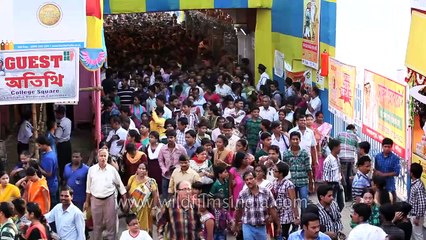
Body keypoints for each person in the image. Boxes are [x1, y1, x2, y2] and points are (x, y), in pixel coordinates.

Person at [84, 148, 127, 240]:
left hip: (109, 199)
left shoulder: (112, 170)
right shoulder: (91, 170)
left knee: (111, 224)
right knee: (97, 225)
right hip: (95, 200)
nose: (103, 158)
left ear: (107, 157)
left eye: (105, 156)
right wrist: (87, 202)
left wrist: (125, 200)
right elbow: (88, 188)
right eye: (101, 156)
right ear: (97, 157)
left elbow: (120, 186)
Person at [233, 170, 281, 240]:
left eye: (251, 178)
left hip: (261, 227)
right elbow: (238, 211)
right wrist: (236, 224)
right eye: (246, 180)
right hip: (247, 226)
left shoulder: (266, 192)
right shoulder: (243, 194)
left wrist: (278, 225)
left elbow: (272, 209)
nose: (249, 181)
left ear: (255, 179)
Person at [283, 131, 313, 213]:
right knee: (293, 203)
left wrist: (311, 182)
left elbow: (308, 168)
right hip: (291, 182)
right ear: (290, 140)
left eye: (297, 139)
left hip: (303, 181)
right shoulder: (286, 154)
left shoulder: (304, 153)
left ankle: (304, 222)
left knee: (304, 202)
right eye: (293, 139)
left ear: (300, 140)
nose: (295, 141)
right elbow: (285, 169)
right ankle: (295, 223)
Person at [126, 163, 160, 232]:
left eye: (143, 169)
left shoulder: (150, 182)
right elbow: (127, 189)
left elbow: (155, 195)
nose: (141, 170)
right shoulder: (132, 178)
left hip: (145, 209)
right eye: (140, 168)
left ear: (146, 171)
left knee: (146, 230)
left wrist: (154, 208)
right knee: (134, 229)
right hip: (133, 208)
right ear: (137, 170)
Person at [272, 162, 299, 239]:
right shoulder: (274, 182)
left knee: (283, 234)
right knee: (276, 233)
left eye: (275, 171)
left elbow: (293, 200)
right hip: (276, 212)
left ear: (281, 173)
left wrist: (296, 216)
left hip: (286, 214)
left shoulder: (288, 184)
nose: (273, 172)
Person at [158, 129, 187, 200]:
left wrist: (177, 167)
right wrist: (164, 170)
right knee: (165, 195)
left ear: (175, 138)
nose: (169, 139)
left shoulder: (181, 148)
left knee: (176, 194)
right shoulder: (163, 149)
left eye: (171, 137)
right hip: (166, 175)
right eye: (168, 137)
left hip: (178, 174)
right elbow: (160, 161)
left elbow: (186, 160)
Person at [335, 124, 359, 201]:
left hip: (342, 158)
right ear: (352, 129)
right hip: (351, 159)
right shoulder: (355, 137)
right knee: (350, 177)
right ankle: (350, 196)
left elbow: (335, 144)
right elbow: (358, 149)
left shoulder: (339, 134)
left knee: (343, 177)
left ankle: (344, 196)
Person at [373, 138, 401, 202]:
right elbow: (376, 170)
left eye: (389, 147)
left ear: (391, 147)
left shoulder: (395, 158)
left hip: (390, 184)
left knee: (392, 201)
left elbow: (397, 172)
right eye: (385, 146)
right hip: (379, 184)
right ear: (382, 146)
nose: (387, 148)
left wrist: (383, 175)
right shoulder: (377, 157)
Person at [36, 135, 59, 207]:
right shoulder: (50, 153)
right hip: (53, 183)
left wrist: (37, 166)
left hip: (50, 185)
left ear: (45, 145)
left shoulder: (48, 158)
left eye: (40, 145)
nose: (39, 148)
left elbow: (48, 174)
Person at [322, 139, 344, 211]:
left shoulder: (337, 158)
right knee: (331, 204)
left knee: (341, 204)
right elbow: (325, 175)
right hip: (331, 184)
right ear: (335, 148)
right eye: (339, 147)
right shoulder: (328, 160)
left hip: (338, 183)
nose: (340, 149)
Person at [408, 163, 426, 240]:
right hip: (413, 214)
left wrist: (417, 218)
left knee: (418, 236)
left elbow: (422, 204)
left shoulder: (418, 186)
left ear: (412, 173)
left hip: (416, 216)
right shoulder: (415, 184)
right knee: (413, 236)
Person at [54, 105, 72, 178]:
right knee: (68, 162)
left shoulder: (61, 124)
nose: (56, 115)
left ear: (59, 114)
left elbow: (57, 138)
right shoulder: (68, 121)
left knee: (62, 163)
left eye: (57, 113)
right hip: (68, 143)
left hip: (62, 145)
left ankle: (63, 179)